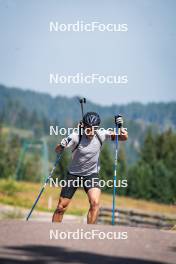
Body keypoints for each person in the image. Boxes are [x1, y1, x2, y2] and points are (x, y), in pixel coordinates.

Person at [52, 112, 128, 224]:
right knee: (61, 207)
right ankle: (54, 231)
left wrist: (120, 127)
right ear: (84, 126)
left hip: (91, 174)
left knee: (95, 203)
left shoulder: (101, 134)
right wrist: (61, 144)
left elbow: (123, 137)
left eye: (94, 128)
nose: (91, 131)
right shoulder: (75, 136)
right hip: (74, 174)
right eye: (88, 128)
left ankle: (90, 232)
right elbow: (57, 150)